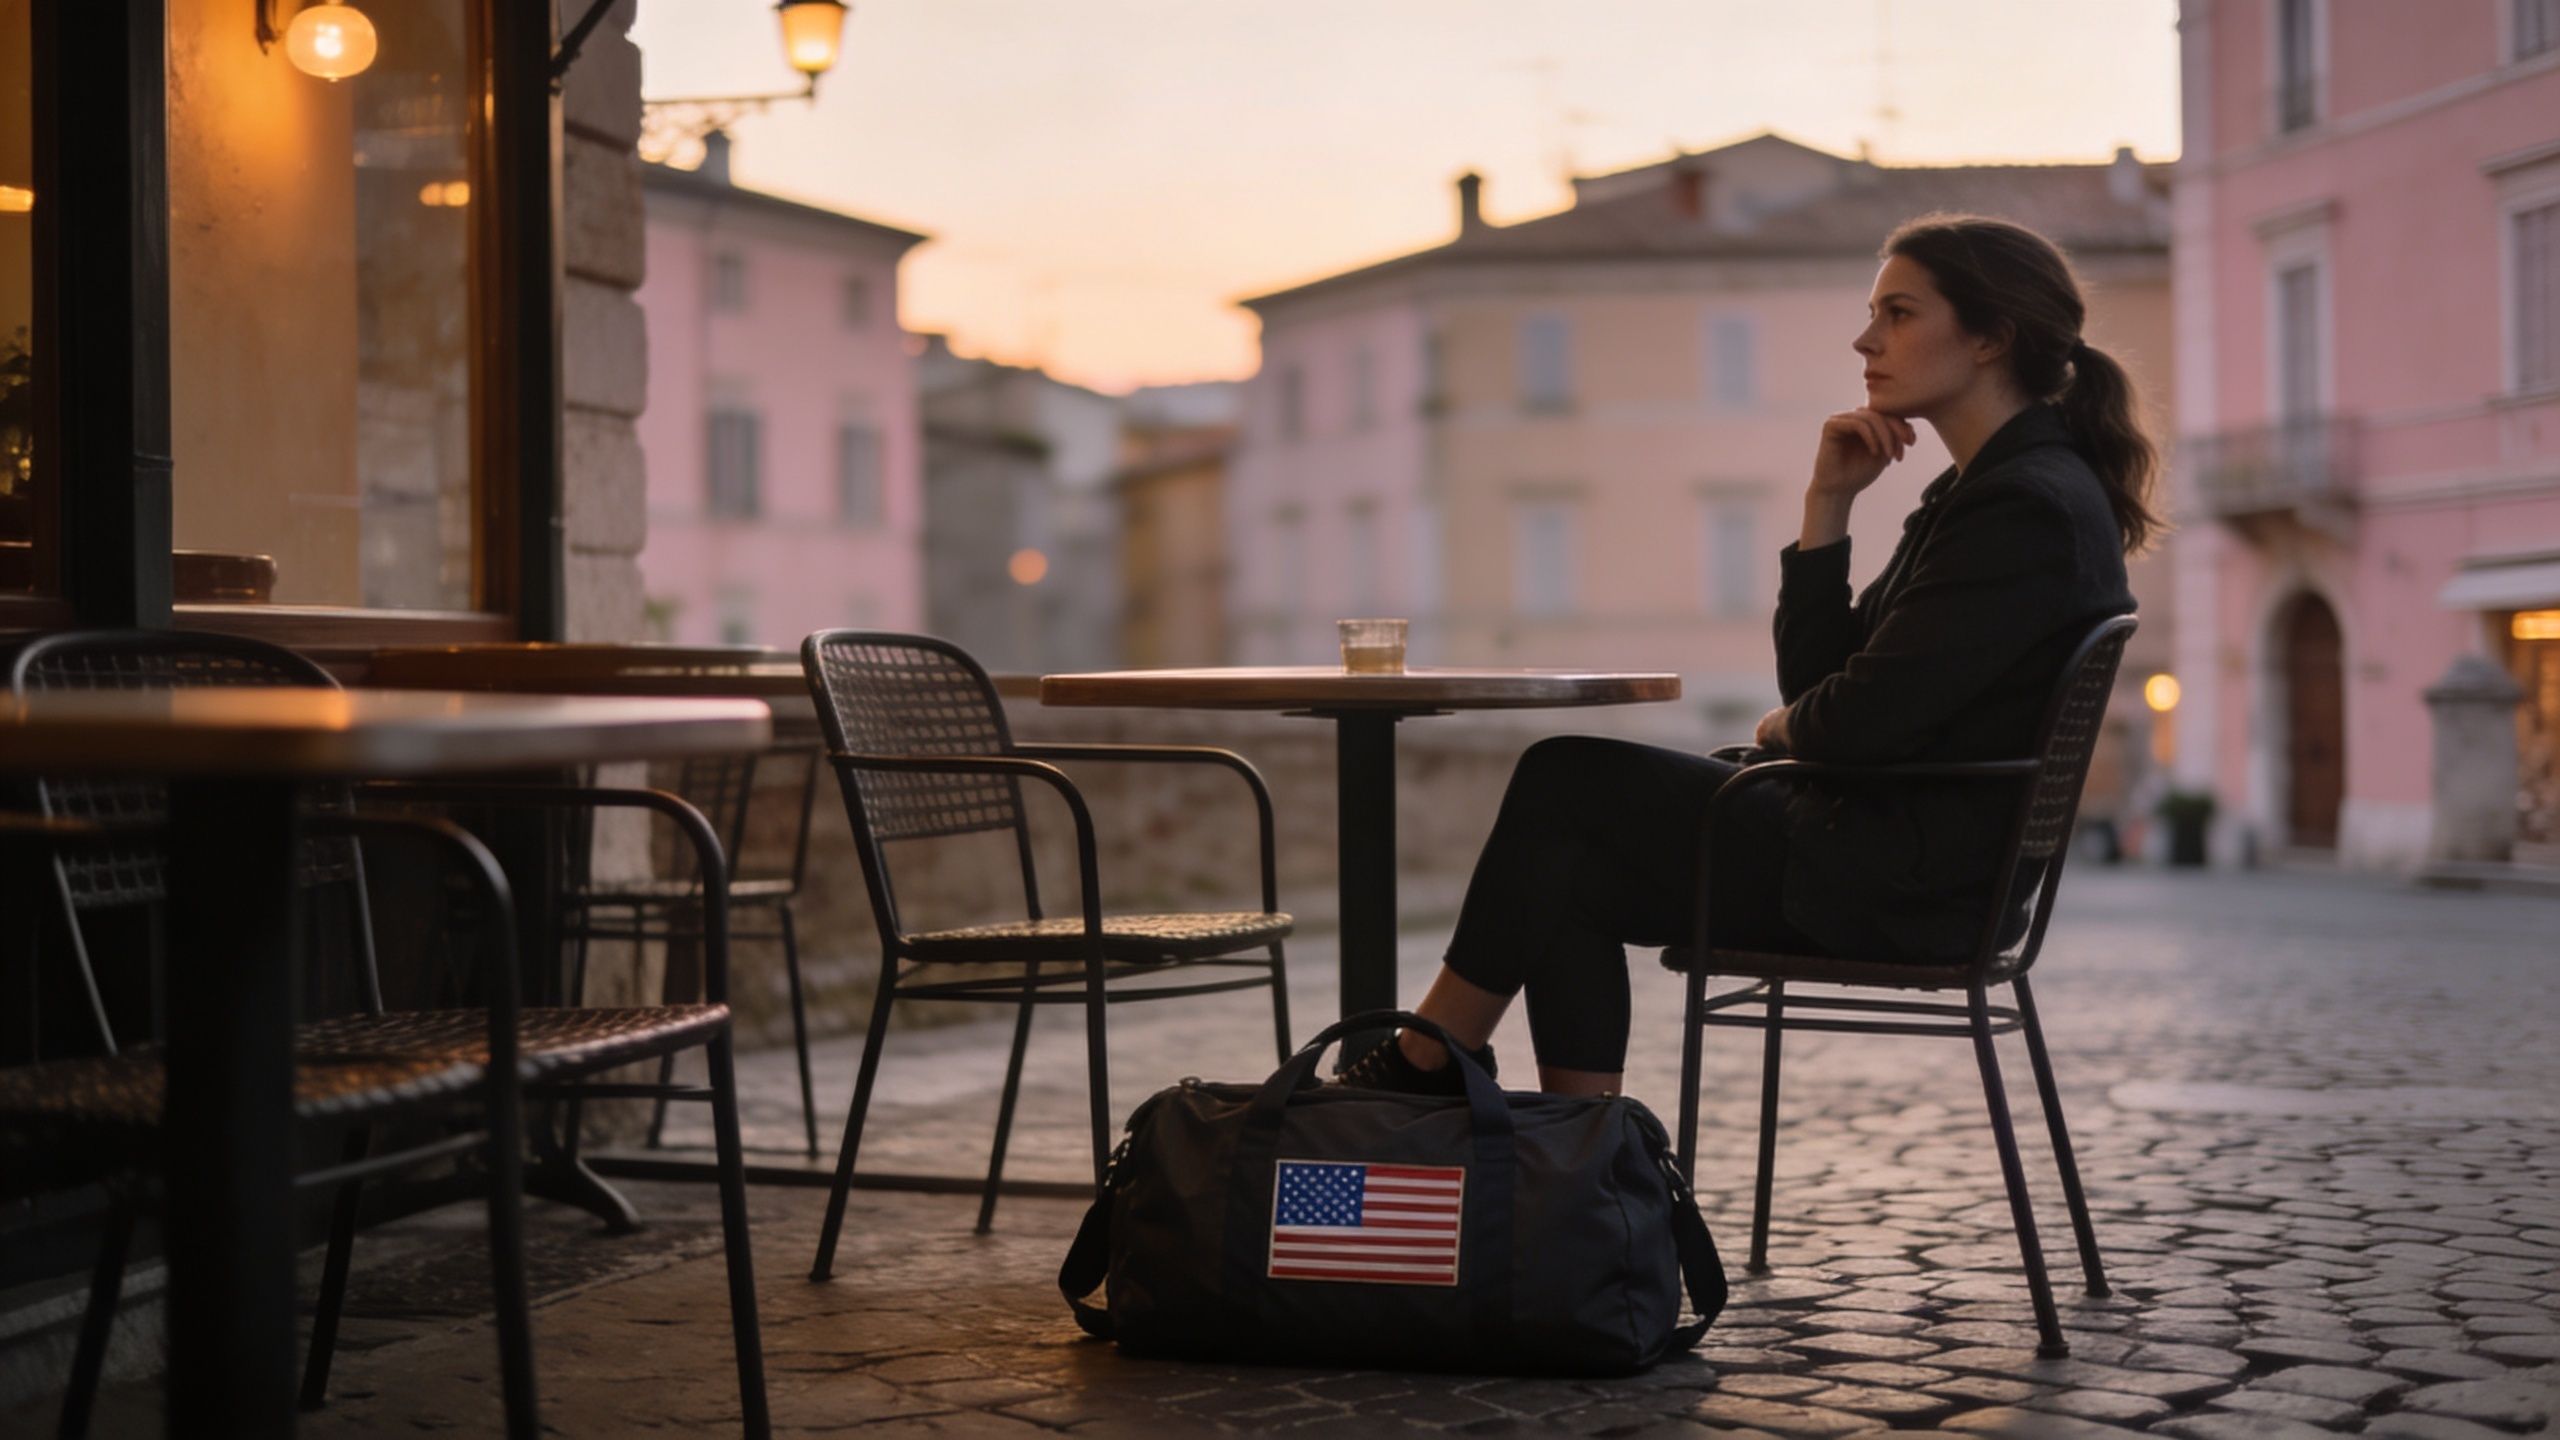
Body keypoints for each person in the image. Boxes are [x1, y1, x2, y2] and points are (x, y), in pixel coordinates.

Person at [1337, 214, 2154, 1100]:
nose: (1865, 338)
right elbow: (1822, 684)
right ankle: (1578, 1160)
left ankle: (1424, 1061)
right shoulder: (1984, 490)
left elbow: (1852, 721)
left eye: (1900, 313)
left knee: (1564, 777)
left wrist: (1781, 727)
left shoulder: (2023, 508)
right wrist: (1827, 507)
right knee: (1563, 877)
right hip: (1887, 855)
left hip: (1908, 882)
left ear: (1991, 336)